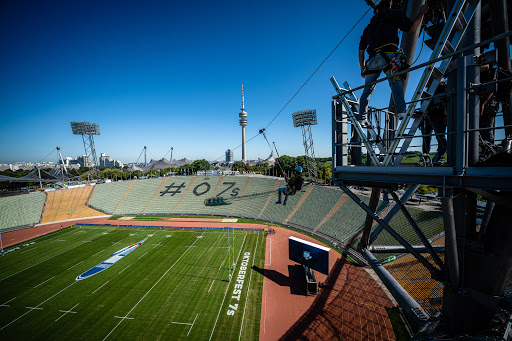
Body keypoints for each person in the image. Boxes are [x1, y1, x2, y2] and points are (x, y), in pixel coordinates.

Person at [358, 0, 429, 128]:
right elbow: (412, 28)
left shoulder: (369, 27)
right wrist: (421, 12)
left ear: (377, 10)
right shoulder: (394, 14)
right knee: (395, 82)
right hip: (389, 56)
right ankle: (401, 111)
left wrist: (362, 68)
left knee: (367, 91)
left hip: (372, 61)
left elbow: (361, 49)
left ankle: (361, 117)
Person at [419, 80, 448, 166]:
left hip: (439, 116)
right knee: (425, 139)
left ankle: (440, 157)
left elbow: (446, 102)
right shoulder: (427, 91)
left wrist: (446, 116)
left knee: (440, 137)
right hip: (427, 118)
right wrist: (421, 121)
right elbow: (423, 107)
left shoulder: (442, 88)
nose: (426, 83)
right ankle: (425, 158)